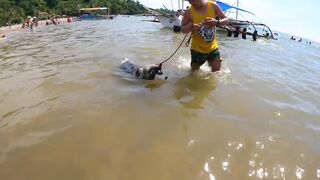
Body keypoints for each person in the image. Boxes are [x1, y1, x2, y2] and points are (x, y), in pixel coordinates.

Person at [182, 0, 229, 72]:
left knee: (216, 72)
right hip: (197, 50)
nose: (191, 2)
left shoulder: (213, 5)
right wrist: (190, 27)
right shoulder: (189, 12)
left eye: (192, 0)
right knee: (194, 73)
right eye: (189, 0)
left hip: (213, 48)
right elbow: (182, 29)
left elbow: (226, 20)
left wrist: (217, 22)